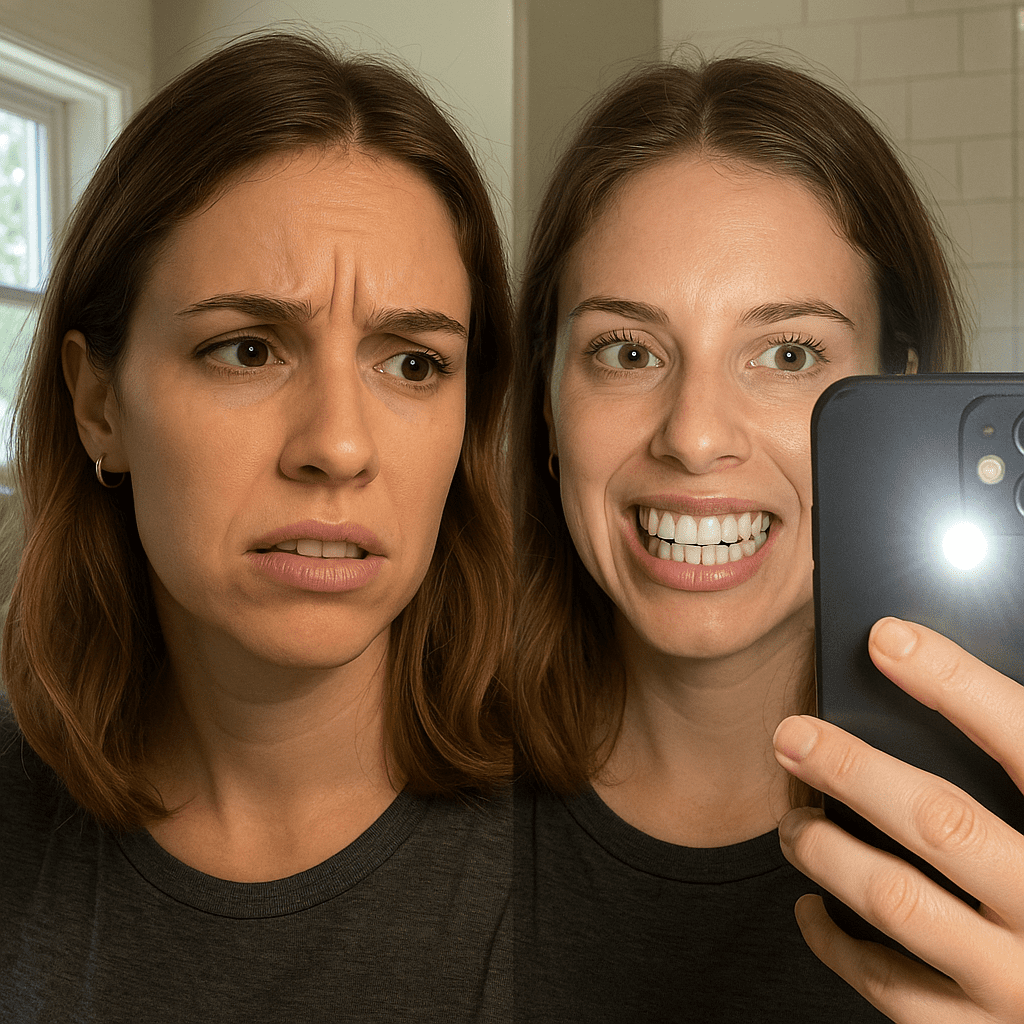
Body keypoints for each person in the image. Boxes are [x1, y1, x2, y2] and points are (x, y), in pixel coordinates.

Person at [0, 32, 512, 1021]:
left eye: (411, 363)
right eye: (245, 349)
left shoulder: (607, 854)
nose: (338, 446)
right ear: (98, 402)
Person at [512, 56, 1024, 1022]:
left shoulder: (1014, 808)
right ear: (545, 405)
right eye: (628, 352)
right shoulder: (401, 803)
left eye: (788, 355)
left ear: (896, 390)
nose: (695, 435)